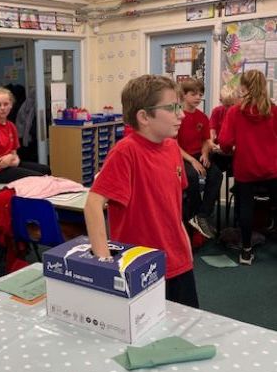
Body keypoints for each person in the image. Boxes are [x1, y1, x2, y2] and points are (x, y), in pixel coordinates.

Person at [84, 75, 198, 308]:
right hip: (141, 267)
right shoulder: (125, 152)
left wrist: (185, 247)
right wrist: (104, 264)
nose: (182, 115)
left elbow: (173, 207)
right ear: (144, 117)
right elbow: (93, 204)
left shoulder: (172, 147)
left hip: (179, 262)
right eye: (172, 108)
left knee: (187, 323)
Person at [218, 70, 277, 265]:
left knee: (245, 208)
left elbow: (225, 143)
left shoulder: (235, 111)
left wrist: (231, 148)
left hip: (246, 168)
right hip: (272, 168)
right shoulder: (273, 110)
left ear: (243, 87)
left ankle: (245, 252)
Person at [177, 78, 223, 239]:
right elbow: (172, 145)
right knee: (191, 176)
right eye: (193, 94)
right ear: (183, 95)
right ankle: (194, 214)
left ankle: (202, 215)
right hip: (181, 156)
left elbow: (205, 140)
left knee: (216, 174)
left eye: (200, 94)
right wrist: (192, 160)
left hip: (198, 154)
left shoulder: (202, 117)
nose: (198, 97)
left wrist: (204, 154)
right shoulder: (176, 115)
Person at [0, 87, 50, 183]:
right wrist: (10, 159)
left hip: (8, 164)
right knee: (39, 178)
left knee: (45, 170)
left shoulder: (11, 126)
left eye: (6, 104)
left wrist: (10, 159)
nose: (2, 108)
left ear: (11, 105)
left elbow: (14, 154)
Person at [209, 85, 238, 173]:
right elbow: (212, 130)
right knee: (213, 169)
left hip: (235, 151)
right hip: (220, 150)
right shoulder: (217, 111)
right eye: (227, 105)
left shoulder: (239, 113)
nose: (230, 108)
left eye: (232, 105)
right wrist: (211, 142)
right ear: (221, 101)